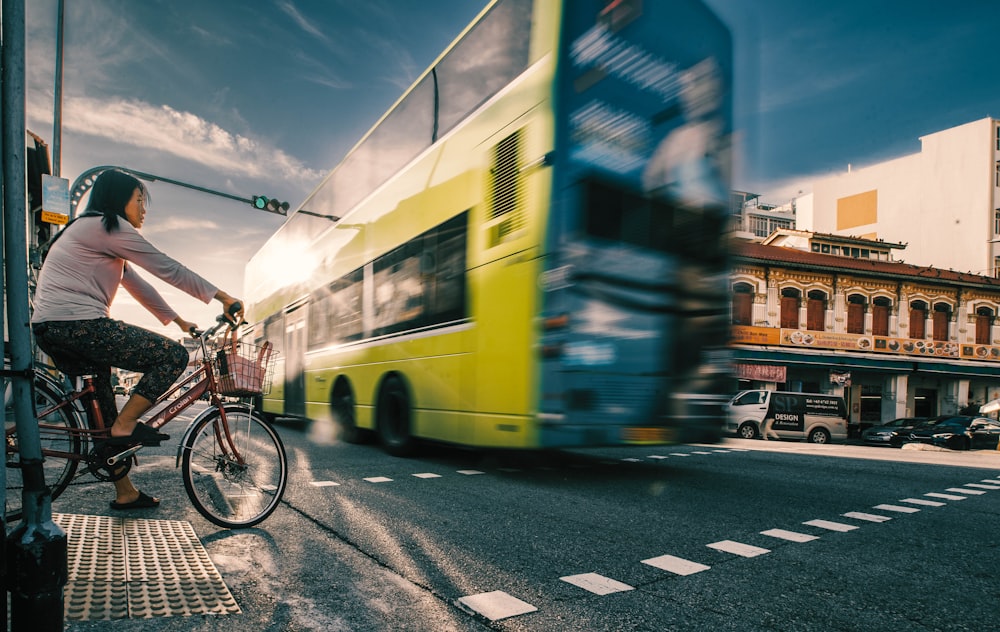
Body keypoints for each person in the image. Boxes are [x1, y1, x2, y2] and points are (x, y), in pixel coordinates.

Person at [30, 169, 243, 510]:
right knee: (172, 357)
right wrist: (224, 297)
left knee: (104, 421)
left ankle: (125, 491)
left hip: (54, 328)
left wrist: (179, 320)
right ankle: (127, 425)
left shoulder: (94, 231)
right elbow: (166, 266)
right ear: (119, 199)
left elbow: (138, 284)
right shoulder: (106, 226)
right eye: (140, 200)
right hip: (78, 325)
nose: (144, 209)